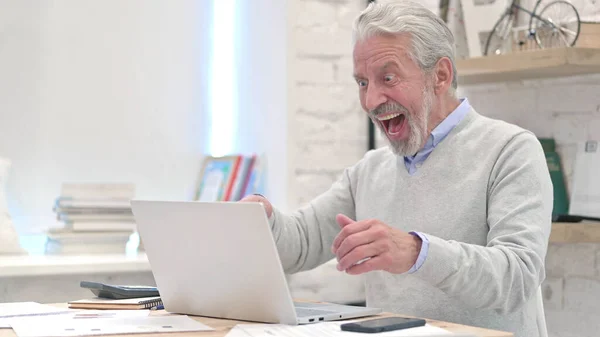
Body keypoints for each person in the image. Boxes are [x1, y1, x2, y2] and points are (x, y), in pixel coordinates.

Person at [242, 1, 552, 336]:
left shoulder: (511, 150)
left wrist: (417, 252)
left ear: (441, 76)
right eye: (362, 83)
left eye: (387, 77)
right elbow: (301, 243)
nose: (372, 100)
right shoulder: (370, 170)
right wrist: (263, 220)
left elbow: (517, 278)